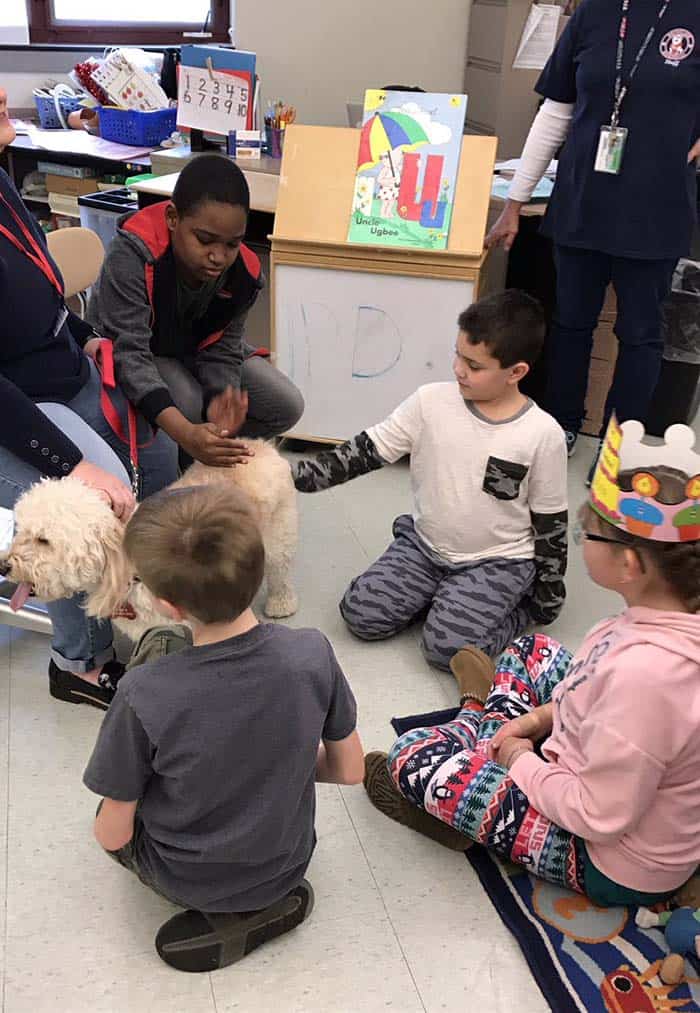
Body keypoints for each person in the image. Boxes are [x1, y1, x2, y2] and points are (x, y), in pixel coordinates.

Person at [364, 423, 700, 907]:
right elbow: (592, 691)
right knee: (533, 651)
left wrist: (519, 759)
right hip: (596, 762)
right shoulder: (668, 615)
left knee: (410, 755)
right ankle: (482, 733)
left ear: (630, 564)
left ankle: (472, 725)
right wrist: (541, 718)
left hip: (607, 855)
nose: (581, 539)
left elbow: (597, 816)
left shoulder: (645, 679)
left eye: (591, 534)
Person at [83, 483, 363, 972]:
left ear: (168, 602)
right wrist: (279, 758)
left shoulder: (142, 693)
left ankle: (232, 915)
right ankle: (268, 901)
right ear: (256, 571)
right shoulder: (312, 652)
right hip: (289, 860)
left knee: (114, 800)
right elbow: (350, 770)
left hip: (185, 878)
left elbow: (112, 834)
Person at [0, 87, 176, 710]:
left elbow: (40, 296)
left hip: (52, 373)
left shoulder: (0, 179)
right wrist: (70, 464)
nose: (5, 102)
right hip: (13, 404)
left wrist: (89, 340)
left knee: (147, 473)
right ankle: (77, 662)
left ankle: (125, 613)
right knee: (84, 514)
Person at [291, 290, 568, 671]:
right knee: (360, 616)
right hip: (425, 546)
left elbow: (551, 524)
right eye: (457, 355)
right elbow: (366, 450)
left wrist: (547, 596)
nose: (458, 369)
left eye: (474, 365)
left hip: (497, 561)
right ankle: (446, 600)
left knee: (446, 652)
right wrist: (292, 477)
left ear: (515, 372)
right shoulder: (430, 402)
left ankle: (510, 608)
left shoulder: (542, 434)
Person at [486, 0, 700, 463]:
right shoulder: (594, 12)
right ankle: (561, 425)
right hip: (583, 201)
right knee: (570, 324)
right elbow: (555, 113)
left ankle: (621, 446)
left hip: (655, 211)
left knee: (640, 332)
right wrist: (514, 203)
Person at [88, 153, 304, 467]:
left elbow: (224, 347)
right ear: (173, 218)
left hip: (191, 350)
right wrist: (187, 432)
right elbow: (130, 354)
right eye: (205, 240)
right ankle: (176, 476)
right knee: (186, 400)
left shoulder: (245, 274)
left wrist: (221, 399)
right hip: (138, 353)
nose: (219, 256)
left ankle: (206, 459)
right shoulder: (133, 255)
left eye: (232, 244)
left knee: (285, 404)